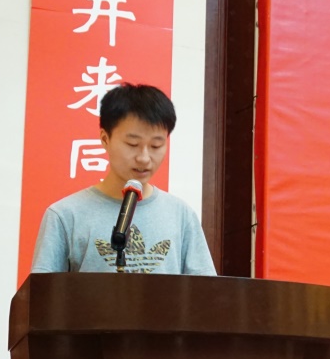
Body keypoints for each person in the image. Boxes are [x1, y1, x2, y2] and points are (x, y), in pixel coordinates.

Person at [30, 83, 218, 275]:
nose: (144, 158)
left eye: (156, 146)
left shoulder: (181, 215)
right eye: (132, 144)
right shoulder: (65, 215)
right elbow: (43, 291)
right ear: (105, 139)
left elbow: (206, 290)